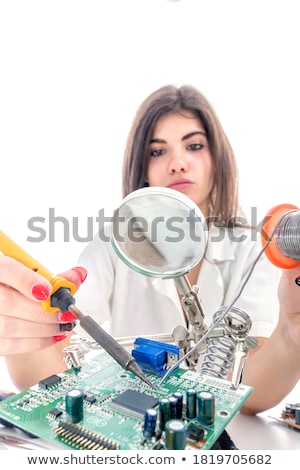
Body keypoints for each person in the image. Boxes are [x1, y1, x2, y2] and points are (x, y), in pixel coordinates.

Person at [1, 84, 300, 417]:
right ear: (141, 167)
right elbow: (50, 362)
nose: (178, 163)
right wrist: (21, 327)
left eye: (195, 145)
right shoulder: (113, 247)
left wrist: (292, 331)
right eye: (158, 151)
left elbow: (250, 392)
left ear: (218, 159)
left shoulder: (251, 249)